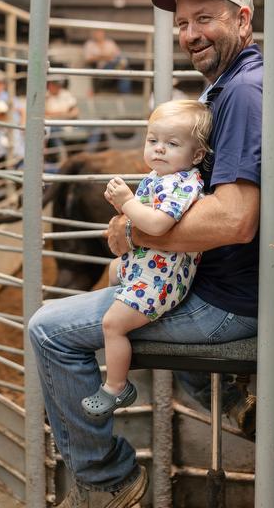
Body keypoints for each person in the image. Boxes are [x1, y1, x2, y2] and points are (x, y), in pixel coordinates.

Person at [28, 0, 274, 508]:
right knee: (118, 289)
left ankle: (108, 481)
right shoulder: (231, 88)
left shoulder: (245, 94)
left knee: (48, 330)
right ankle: (227, 403)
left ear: (243, 18)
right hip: (224, 284)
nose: (191, 34)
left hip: (225, 301)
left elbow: (235, 220)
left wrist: (135, 229)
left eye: (205, 18)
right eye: (182, 24)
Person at [81, 99, 210, 419]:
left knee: (112, 324)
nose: (159, 149)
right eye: (153, 141)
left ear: (196, 156)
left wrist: (125, 202)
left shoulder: (183, 184)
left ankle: (116, 386)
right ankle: (124, 314)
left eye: (172, 143)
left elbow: (156, 224)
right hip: (148, 263)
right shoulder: (160, 176)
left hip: (162, 278)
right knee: (112, 270)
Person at [83, 28, 131, 94]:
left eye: (100, 32)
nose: (98, 35)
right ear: (93, 34)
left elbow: (118, 54)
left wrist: (102, 56)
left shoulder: (110, 43)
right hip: (101, 67)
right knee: (122, 66)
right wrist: (105, 57)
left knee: (123, 66)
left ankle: (125, 94)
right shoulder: (89, 44)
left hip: (113, 64)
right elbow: (88, 59)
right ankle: (119, 69)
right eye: (97, 33)